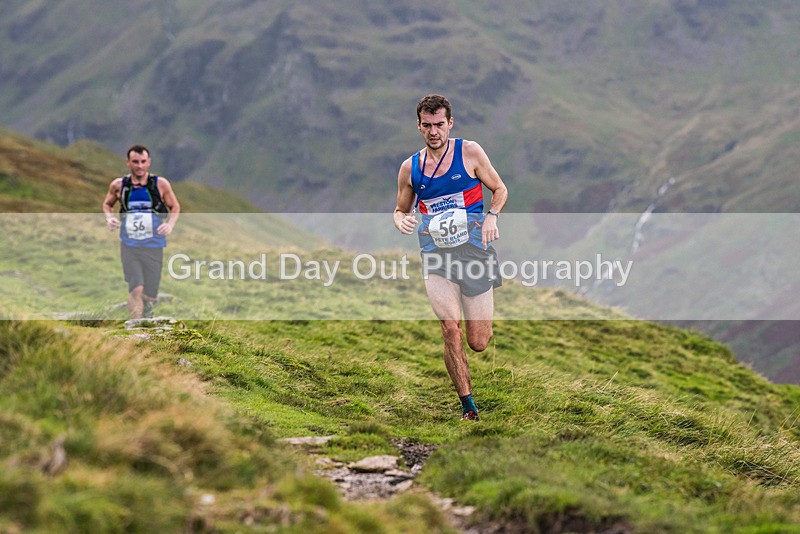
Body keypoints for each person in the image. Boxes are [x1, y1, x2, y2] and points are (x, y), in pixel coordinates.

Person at [394, 94, 508, 421]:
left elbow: (499, 189)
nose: (434, 131)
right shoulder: (410, 168)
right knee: (449, 329)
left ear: (450, 124)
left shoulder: (469, 152)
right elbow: (401, 208)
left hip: (474, 252)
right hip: (435, 255)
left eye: (439, 125)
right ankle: (468, 407)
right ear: (419, 126)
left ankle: (470, 389)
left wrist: (492, 217)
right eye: (427, 125)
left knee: (478, 341)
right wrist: (400, 219)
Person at [102, 145, 180, 319]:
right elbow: (107, 204)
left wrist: (170, 225)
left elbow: (175, 206)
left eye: (143, 162)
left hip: (154, 244)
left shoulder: (160, 184)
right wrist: (109, 218)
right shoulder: (119, 185)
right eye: (135, 162)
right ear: (128, 162)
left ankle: (146, 313)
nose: (139, 166)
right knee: (136, 287)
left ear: (149, 162)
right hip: (129, 244)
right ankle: (135, 329)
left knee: (150, 294)